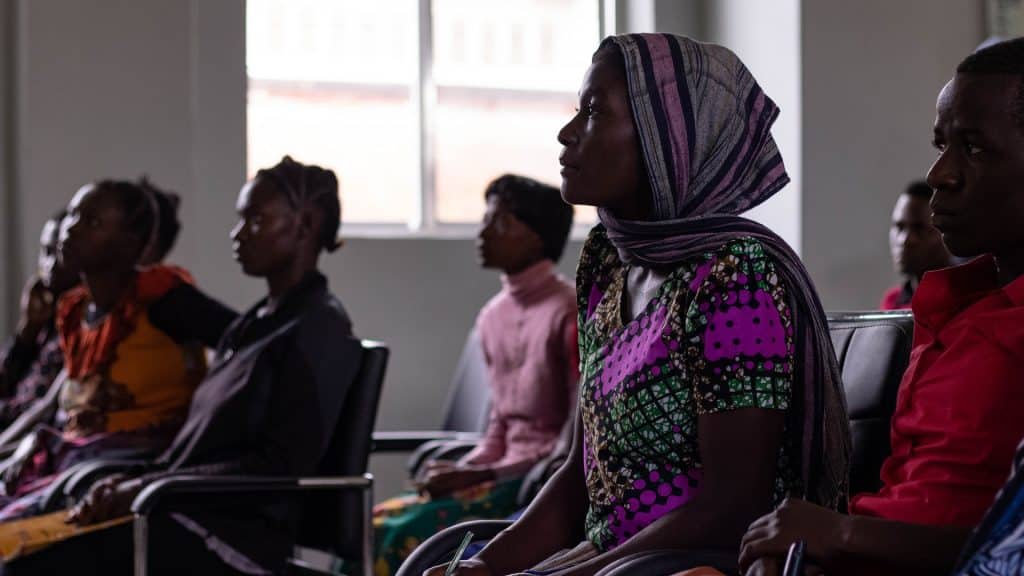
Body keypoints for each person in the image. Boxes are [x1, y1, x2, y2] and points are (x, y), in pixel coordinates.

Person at [426, 33, 851, 576]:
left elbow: (732, 508)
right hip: (608, 560)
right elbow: (580, 476)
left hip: (689, 566)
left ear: (667, 137)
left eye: (594, 112)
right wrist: (484, 567)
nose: (567, 132)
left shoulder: (733, 273)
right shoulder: (608, 264)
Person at [737, 37, 1024, 576]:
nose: (941, 174)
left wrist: (839, 534)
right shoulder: (958, 306)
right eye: (943, 146)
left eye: (976, 148)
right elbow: (911, 492)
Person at [0, 156, 359, 575]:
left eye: (255, 221)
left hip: (229, 537)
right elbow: (199, 447)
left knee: (27, 567)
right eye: (239, 220)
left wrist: (150, 484)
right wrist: (132, 480)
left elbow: (278, 466)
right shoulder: (256, 325)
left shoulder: (317, 329)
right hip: (182, 510)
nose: (237, 234)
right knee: (21, 546)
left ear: (306, 225)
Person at [374, 174, 579, 575]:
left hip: (535, 486)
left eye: (499, 222)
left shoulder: (568, 312)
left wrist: (485, 473)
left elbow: (569, 440)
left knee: (403, 534)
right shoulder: (493, 315)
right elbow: (499, 426)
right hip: (499, 473)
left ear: (536, 237)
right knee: (378, 520)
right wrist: (467, 468)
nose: (482, 232)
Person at [0, 178, 226, 519]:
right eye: (73, 216)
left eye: (92, 222)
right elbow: (60, 405)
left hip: (128, 465)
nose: (70, 230)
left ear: (130, 244)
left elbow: (245, 338)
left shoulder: (163, 299)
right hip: (78, 455)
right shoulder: (78, 311)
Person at [0, 211, 80, 429]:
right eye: (46, 252)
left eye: (60, 253)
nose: (51, 265)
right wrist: (28, 328)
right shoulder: (45, 321)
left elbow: (40, 413)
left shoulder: (82, 328)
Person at [879, 180, 954, 310]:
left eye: (919, 228)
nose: (905, 240)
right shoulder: (893, 302)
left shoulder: (967, 298)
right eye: (899, 227)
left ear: (947, 231)